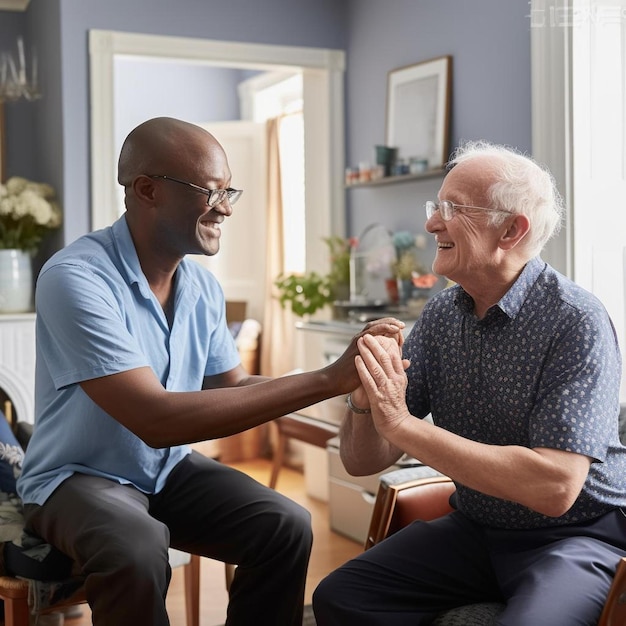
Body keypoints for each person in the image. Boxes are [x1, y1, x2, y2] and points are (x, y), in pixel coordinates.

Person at [16, 117, 405, 626]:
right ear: (147, 190)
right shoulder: (75, 278)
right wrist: (324, 380)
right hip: (75, 478)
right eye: (210, 191)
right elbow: (155, 420)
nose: (224, 207)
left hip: (166, 471)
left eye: (229, 191)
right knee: (136, 546)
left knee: (286, 524)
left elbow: (236, 387)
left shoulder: (200, 288)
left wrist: (342, 379)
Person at [313, 141, 626, 626]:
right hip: (476, 528)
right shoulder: (441, 314)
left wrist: (398, 421)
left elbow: (555, 487)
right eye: (435, 207)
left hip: (577, 534)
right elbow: (361, 460)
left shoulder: (575, 320)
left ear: (511, 229)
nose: (432, 223)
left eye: (452, 209)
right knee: (342, 596)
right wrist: (365, 397)